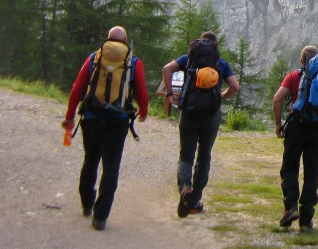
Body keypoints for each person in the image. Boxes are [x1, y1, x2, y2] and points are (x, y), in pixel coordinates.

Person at [62, 25, 149, 231]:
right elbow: (142, 92)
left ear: (108, 39)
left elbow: (77, 88)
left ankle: (87, 204)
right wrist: (143, 111)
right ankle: (100, 217)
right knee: (111, 167)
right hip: (118, 121)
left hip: (92, 118)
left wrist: (70, 117)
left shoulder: (95, 57)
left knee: (90, 160)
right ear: (125, 41)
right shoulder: (133, 62)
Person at [162, 30, 239, 218]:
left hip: (188, 113)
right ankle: (195, 200)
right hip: (211, 116)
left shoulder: (187, 59)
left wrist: (170, 94)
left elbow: (166, 69)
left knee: (186, 155)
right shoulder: (221, 64)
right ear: (215, 47)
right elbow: (235, 86)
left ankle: (185, 189)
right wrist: (220, 97)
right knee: (204, 156)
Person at [272, 46, 318, 232]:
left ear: (302, 61)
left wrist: (278, 124)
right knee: (312, 174)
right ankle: (306, 220)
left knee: (290, 168)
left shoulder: (294, 76)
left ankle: (290, 207)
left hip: (296, 128)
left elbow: (277, 99)